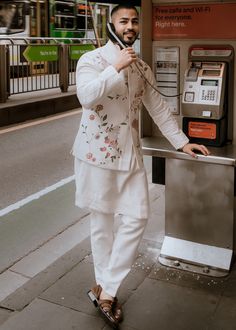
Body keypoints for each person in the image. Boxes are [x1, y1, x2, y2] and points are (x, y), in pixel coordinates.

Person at [72, 3, 210, 328]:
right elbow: (85, 97)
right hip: (96, 155)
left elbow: (158, 107)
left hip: (130, 154)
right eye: (124, 21)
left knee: (137, 216)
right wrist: (115, 67)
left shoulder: (142, 67)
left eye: (134, 21)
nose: (130, 26)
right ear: (111, 24)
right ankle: (107, 292)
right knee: (102, 223)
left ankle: (106, 286)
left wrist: (181, 141)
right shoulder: (91, 60)